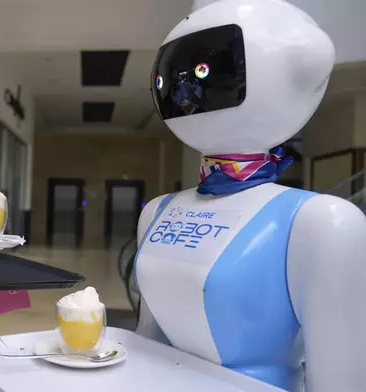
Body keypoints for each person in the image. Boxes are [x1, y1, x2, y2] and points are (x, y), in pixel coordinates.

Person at [135, 0, 366, 391]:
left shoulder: (323, 223)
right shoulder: (157, 211)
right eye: (169, 75)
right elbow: (146, 337)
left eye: (205, 70)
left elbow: (341, 380)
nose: (183, 88)